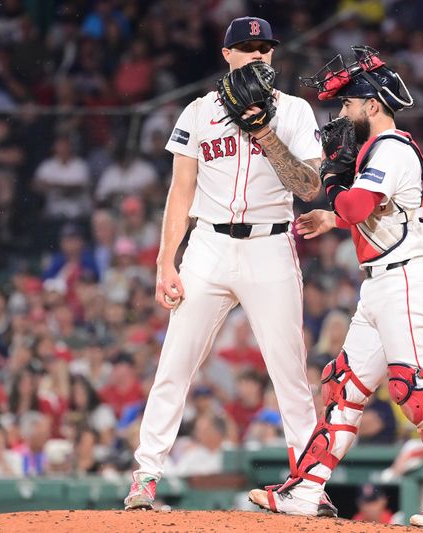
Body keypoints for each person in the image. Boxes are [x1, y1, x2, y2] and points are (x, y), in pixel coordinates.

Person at [248, 46, 423, 530]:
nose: (341, 116)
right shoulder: (378, 151)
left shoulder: (392, 146)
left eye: (347, 106)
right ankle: (306, 490)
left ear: (371, 105)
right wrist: (331, 215)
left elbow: (358, 206)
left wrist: (334, 181)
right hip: (382, 285)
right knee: (342, 389)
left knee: (418, 394)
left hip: (405, 283)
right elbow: (370, 213)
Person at [124, 16, 327, 515]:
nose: (258, 55)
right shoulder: (198, 112)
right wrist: (164, 262)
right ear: (227, 54)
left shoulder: (295, 112)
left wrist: (264, 132)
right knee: (174, 365)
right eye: (247, 47)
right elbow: (181, 192)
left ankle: (308, 487)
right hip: (209, 248)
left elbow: (307, 187)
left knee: (290, 374)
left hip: (270, 246)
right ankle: (145, 478)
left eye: (265, 47)